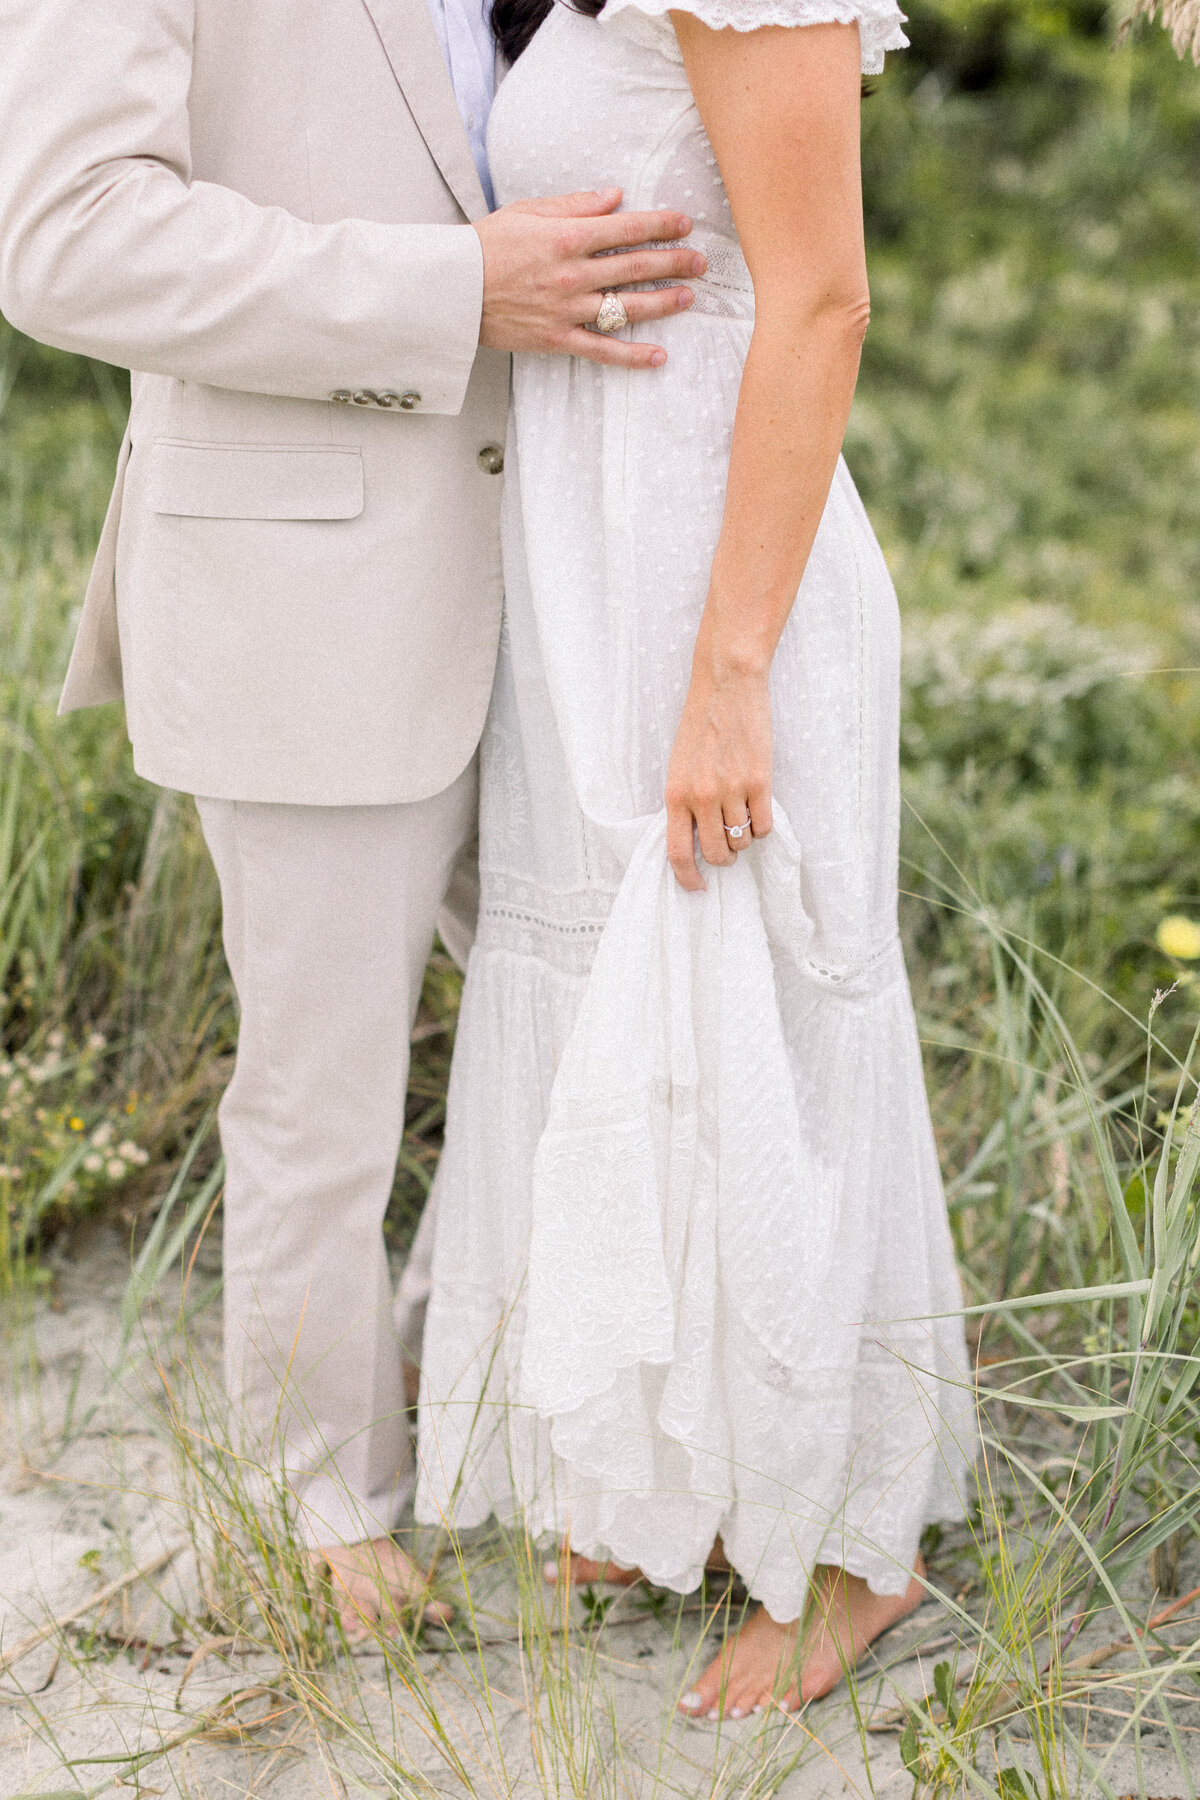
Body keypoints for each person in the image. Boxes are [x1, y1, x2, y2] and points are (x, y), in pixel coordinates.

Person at [0, 0, 707, 1639]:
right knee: (327, 1095)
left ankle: (482, 1394)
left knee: (596, 1015)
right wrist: (452, 290)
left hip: (571, 568)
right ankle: (317, 1503)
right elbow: (63, 237)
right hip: (298, 574)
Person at [415, 0, 973, 1718]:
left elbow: (822, 297)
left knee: (761, 1029)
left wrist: (731, 672)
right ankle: (684, 1487)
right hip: (597, 557)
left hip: (722, 585)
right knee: (616, 1006)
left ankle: (857, 1555)